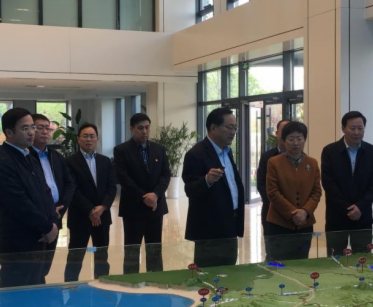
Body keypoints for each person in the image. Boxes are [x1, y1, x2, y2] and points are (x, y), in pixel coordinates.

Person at [0, 108, 59, 288]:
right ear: (9, 132)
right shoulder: (2, 162)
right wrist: (46, 226)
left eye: (33, 127)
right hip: (19, 242)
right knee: (17, 293)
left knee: (37, 288)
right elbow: (18, 204)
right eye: (25, 128)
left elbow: (45, 192)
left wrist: (52, 221)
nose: (32, 132)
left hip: (40, 237)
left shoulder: (28, 156)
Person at [182, 107, 245, 267]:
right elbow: (190, 189)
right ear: (213, 128)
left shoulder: (227, 151)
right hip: (209, 229)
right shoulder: (196, 154)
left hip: (230, 223)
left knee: (230, 271)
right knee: (209, 273)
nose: (233, 132)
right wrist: (206, 180)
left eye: (235, 128)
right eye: (229, 127)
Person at [114, 113, 171, 274]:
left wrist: (155, 195)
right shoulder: (122, 150)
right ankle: (131, 282)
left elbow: (166, 175)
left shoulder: (159, 149)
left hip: (155, 207)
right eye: (140, 128)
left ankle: (156, 281)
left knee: (154, 250)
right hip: (133, 208)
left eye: (147, 127)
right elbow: (123, 178)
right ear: (132, 129)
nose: (144, 131)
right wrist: (143, 197)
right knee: (132, 251)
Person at [321, 111, 373, 256]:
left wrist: (360, 207)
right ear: (343, 128)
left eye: (360, 128)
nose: (356, 132)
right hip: (337, 215)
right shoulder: (330, 151)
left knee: (362, 258)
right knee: (336, 258)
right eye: (352, 128)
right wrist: (348, 208)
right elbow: (328, 183)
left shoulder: (372, 152)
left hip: (363, 215)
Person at [65, 124, 117, 281]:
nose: (89, 139)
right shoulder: (69, 162)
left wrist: (102, 207)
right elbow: (72, 189)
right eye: (85, 136)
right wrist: (90, 210)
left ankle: (102, 284)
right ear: (78, 139)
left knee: (102, 255)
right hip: (80, 217)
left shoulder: (105, 161)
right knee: (75, 257)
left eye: (92, 136)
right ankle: (71, 286)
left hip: (102, 216)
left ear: (97, 139)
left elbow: (111, 187)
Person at [265, 121, 322, 260]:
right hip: (279, 224)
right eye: (291, 139)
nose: (295, 143)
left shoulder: (312, 163)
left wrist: (305, 212)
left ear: (304, 140)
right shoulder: (274, 162)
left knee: (301, 262)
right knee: (277, 263)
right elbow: (273, 192)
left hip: (305, 224)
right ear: (284, 141)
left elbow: (316, 192)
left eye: (299, 138)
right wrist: (293, 214)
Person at [31, 113, 76, 277]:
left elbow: (70, 183)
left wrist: (61, 208)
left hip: (56, 216)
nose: (45, 132)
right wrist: (47, 210)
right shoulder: (26, 157)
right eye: (40, 128)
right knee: (32, 268)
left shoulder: (56, 156)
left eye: (47, 128)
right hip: (36, 218)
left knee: (46, 265)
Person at [256, 119, 290, 236]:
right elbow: (261, 184)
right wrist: (278, 205)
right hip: (271, 212)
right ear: (276, 133)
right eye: (283, 131)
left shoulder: (303, 159)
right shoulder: (267, 157)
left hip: (295, 214)